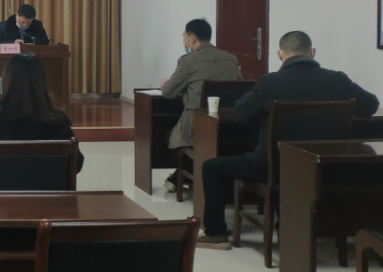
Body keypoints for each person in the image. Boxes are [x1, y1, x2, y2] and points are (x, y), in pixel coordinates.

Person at [196, 31, 379, 250]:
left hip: (272, 167)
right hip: (323, 168)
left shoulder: (270, 82)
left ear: (280, 55)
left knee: (211, 167)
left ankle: (216, 234)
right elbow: (370, 106)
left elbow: (240, 114)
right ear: (312, 53)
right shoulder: (338, 80)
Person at [0, 52, 84, 178]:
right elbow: (76, 163)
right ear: (42, 82)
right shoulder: (57, 119)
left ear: (6, 79)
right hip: (44, 190)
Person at [161, 19, 241, 192]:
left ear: (193, 38)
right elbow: (239, 87)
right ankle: (181, 176)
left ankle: (186, 174)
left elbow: (168, 92)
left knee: (169, 136)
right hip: (227, 124)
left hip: (197, 123)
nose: (184, 41)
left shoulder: (187, 61)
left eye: (184, 37)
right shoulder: (231, 59)